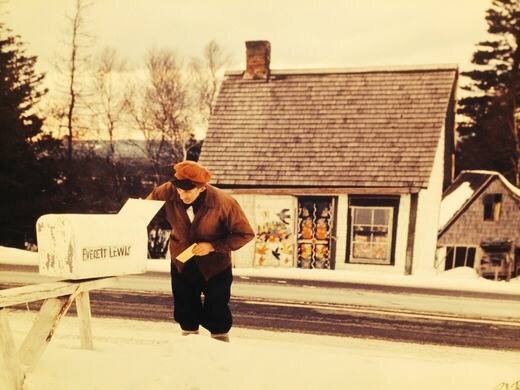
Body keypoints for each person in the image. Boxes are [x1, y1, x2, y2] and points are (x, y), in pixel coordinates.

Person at [146, 160, 255, 342]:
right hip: (182, 261)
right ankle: (189, 347)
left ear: (202, 188)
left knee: (217, 310)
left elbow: (244, 234)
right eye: (179, 189)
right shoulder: (170, 189)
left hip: (215, 266)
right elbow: (145, 205)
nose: (181, 195)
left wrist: (213, 246)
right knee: (185, 309)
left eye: (187, 191)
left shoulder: (224, 203)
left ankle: (220, 348)